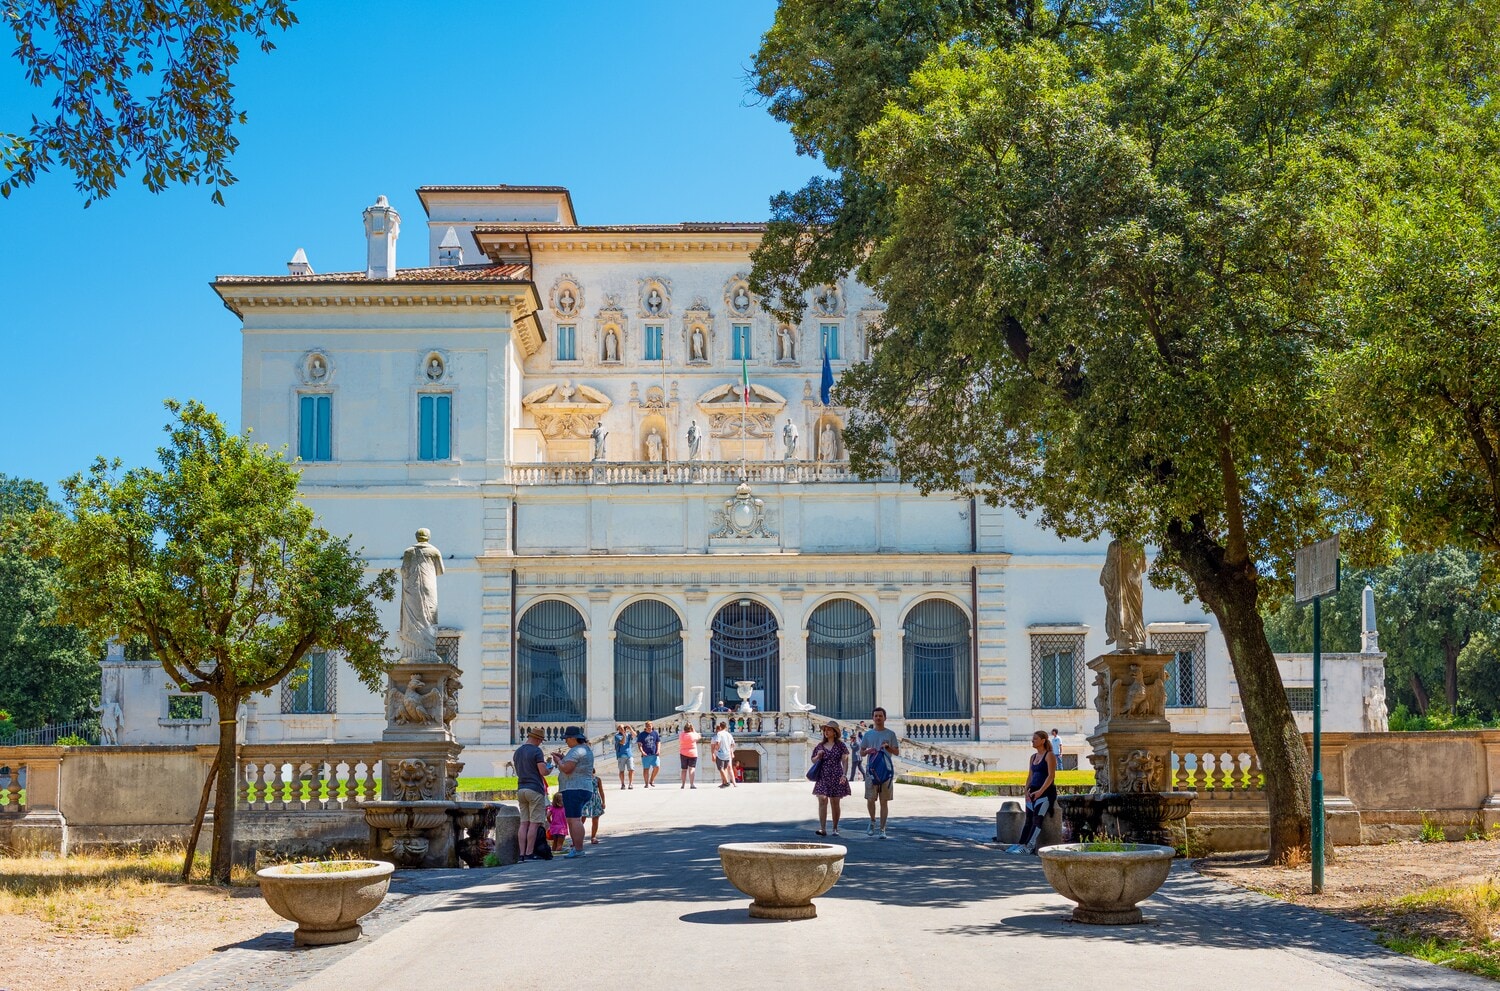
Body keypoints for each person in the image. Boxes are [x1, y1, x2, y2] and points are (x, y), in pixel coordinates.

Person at [1010, 730, 1059, 854]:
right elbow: (1030, 776)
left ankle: (1029, 847)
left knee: (1037, 819)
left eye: (1035, 739)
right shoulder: (1033, 757)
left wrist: (1041, 791)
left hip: (1046, 793)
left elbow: (1051, 776)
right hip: (1033, 792)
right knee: (1028, 820)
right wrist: (1026, 791)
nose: (1033, 741)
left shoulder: (1049, 755)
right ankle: (1021, 844)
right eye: (1033, 739)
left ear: (1043, 740)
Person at [551, 726, 595, 858]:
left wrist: (559, 761)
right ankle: (577, 848)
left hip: (574, 788)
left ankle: (579, 849)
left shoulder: (577, 750)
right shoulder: (584, 750)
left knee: (574, 819)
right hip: (581, 787)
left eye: (567, 739)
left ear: (573, 738)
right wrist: (563, 758)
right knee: (572, 819)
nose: (566, 742)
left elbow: (567, 769)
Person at [860, 707, 900, 839]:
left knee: (884, 801)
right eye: (876, 716)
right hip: (871, 771)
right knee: (871, 799)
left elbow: (897, 752)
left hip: (886, 771)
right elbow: (861, 752)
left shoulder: (890, 734)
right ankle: (872, 822)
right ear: (873, 718)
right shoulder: (868, 735)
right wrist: (867, 751)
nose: (878, 718)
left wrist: (888, 747)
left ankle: (882, 829)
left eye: (880, 716)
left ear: (885, 718)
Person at [513, 726, 552, 861]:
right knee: (534, 823)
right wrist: (549, 769)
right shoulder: (536, 751)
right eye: (540, 740)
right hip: (534, 789)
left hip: (521, 788)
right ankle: (530, 853)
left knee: (524, 823)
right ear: (536, 739)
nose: (540, 743)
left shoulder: (517, 752)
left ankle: (521, 854)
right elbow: (543, 772)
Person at [810, 720, 851, 836]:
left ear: (835, 732)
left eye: (829, 730)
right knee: (822, 799)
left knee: (835, 802)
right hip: (823, 774)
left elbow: (845, 760)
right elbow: (813, 760)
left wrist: (844, 774)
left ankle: (835, 828)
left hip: (836, 774)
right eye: (825, 730)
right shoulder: (820, 746)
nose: (826, 732)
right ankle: (823, 828)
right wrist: (818, 756)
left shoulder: (841, 745)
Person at [583, 771, 606, 845]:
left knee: (595, 819)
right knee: (582, 819)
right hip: (586, 800)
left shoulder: (597, 779)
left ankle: (593, 837)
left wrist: (603, 802)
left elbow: (601, 791)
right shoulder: (583, 779)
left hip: (596, 800)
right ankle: (578, 838)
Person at [713, 721, 737, 788]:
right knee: (725, 768)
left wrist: (716, 749)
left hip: (721, 753)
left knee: (720, 768)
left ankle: (726, 782)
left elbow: (717, 742)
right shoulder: (729, 734)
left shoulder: (719, 734)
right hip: (727, 753)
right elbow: (733, 744)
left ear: (720, 727)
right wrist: (730, 750)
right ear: (726, 727)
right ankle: (724, 783)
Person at [638, 721, 661, 788]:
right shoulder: (642, 734)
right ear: (645, 727)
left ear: (652, 726)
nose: (649, 728)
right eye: (647, 727)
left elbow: (658, 742)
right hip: (646, 755)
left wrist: (658, 750)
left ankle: (651, 780)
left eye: (650, 726)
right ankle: (646, 783)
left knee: (657, 767)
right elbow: (639, 744)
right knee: (646, 769)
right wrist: (642, 752)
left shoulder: (655, 733)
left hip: (654, 754)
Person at [679, 722, 701, 789]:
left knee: (683, 770)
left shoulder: (682, 735)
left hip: (683, 753)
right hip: (692, 753)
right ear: (691, 728)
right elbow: (699, 737)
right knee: (692, 769)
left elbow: (681, 736)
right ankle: (691, 784)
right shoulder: (693, 735)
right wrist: (693, 730)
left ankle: (683, 785)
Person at [615, 724, 637, 789]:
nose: (622, 729)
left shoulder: (628, 735)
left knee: (631, 770)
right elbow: (622, 742)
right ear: (618, 730)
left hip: (629, 755)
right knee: (621, 771)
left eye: (623, 728)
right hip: (621, 755)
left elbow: (635, 735)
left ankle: (630, 784)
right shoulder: (617, 736)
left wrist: (630, 728)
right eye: (620, 728)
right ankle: (622, 784)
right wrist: (624, 734)